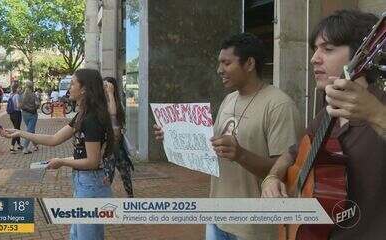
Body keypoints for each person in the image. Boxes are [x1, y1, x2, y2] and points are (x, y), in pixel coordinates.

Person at [154, 33, 303, 240]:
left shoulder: (279, 105)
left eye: (226, 63)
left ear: (249, 63)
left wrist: (240, 154)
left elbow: (287, 171)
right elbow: (212, 149)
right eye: (219, 63)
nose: (219, 70)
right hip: (217, 216)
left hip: (253, 227)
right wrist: (174, 136)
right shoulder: (228, 100)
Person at [261, 10, 385, 240]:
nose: (314, 58)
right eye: (315, 49)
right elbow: (292, 154)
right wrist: (272, 177)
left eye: (327, 49)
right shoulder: (328, 110)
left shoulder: (381, 106)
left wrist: (375, 114)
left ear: (362, 55)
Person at [0, 69, 115, 240]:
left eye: (73, 83)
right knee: (77, 235)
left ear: (84, 89)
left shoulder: (91, 119)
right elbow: (53, 139)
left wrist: (62, 161)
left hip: (91, 184)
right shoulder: (83, 115)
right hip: (85, 182)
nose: (69, 88)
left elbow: (92, 161)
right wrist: (19, 133)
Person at [104, 76, 135, 198]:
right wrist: (109, 94)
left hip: (119, 144)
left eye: (107, 86)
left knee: (125, 173)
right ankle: (103, 198)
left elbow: (117, 116)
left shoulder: (118, 101)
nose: (105, 88)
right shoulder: (103, 102)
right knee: (108, 174)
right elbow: (111, 112)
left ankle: (130, 197)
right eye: (104, 86)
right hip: (109, 145)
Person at [19, 81, 40, 154]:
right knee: (30, 130)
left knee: (31, 129)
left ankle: (35, 145)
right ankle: (25, 147)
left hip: (24, 114)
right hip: (33, 114)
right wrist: (34, 107)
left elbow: (20, 105)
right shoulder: (33, 95)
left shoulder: (21, 95)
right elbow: (38, 104)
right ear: (32, 86)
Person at [8, 83, 23, 153]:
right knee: (16, 130)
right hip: (17, 113)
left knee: (17, 129)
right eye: (19, 88)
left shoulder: (11, 95)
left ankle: (19, 144)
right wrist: (22, 104)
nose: (20, 89)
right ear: (16, 88)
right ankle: (12, 146)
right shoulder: (17, 95)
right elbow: (18, 106)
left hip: (11, 114)